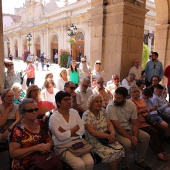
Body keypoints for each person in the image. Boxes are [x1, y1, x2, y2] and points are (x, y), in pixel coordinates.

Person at [106, 87, 151, 170]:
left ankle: (139, 161)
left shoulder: (131, 105)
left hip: (128, 127)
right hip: (116, 131)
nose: (115, 99)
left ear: (125, 98)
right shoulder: (111, 106)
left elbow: (134, 122)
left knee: (146, 137)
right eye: (115, 97)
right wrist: (131, 139)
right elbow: (117, 127)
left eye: (118, 98)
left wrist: (135, 136)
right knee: (127, 143)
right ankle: (124, 166)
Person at [49, 91, 94, 170]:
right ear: (58, 103)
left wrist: (67, 132)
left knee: (90, 162)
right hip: (62, 146)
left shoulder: (74, 112)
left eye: (69, 99)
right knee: (80, 165)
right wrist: (74, 130)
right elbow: (61, 138)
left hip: (77, 142)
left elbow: (82, 130)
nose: (69, 101)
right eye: (65, 100)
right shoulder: (54, 118)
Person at [9, 98, 56, 170]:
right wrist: (35, 148)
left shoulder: (42, 123)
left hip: (45, 160)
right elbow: (13, 153)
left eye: (36, 109)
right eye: (30, 110)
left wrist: (47, 146)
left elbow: (50, 141)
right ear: (22, 113)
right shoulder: (18, 129)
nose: (34, 112)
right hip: (26, 165)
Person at [82, 94, 124, 170]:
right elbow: (92, 132)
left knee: (120, 149)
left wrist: (112, 133)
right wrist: (108, 136)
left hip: (107, 137)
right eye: (96, 101)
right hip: (94, 140)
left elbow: (109, 124)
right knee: (111, 154)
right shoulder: (86, 114)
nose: (99, 103)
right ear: (91, 103)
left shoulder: (103, 111)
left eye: (100, 101)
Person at [130, 86, 169, 161]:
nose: (136, 93)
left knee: (161, 129)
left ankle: (155, 144)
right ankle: (159, 153)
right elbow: (131, 115)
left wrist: (146, 110)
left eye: (137, 91)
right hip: (139, 123)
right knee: (153, 132)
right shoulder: (130, 103)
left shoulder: (141, 100)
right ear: (130, 93)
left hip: (147, 119)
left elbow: (147, 110)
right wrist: (141, 111)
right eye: (134, 92)